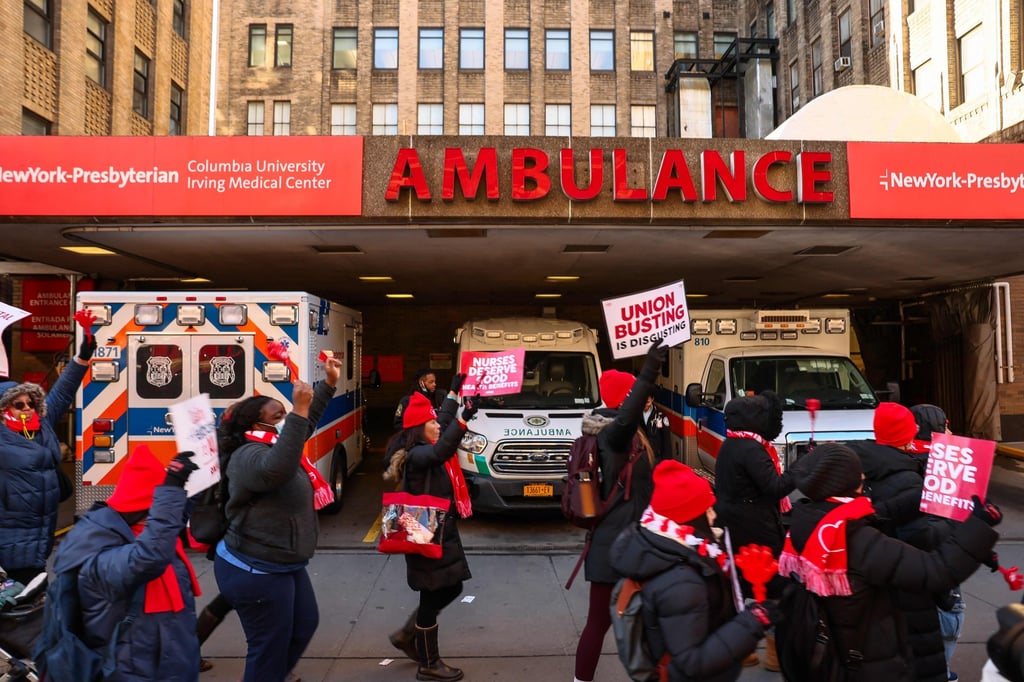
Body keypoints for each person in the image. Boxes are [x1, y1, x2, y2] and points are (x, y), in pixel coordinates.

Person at [781, 442, 1002, 681]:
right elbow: (937, 571)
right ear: (848, 482)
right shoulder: (856, 540)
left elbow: (882, 511)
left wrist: (934, 490)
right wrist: (979, 525)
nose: (864, 476)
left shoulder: (812, 521)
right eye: (858, 473)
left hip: (837, 650)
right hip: (869, 662)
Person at [212, 357, 341, 682]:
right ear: (256, 423)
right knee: (269, 647)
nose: (286, 419)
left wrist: (328, 385)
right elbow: (276, 470)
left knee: (304, 625)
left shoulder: (276, 443)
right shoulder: (247, 456)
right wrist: (297, 411)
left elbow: (301, 429)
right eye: (278, 415)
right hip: (256, 568)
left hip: (284, 562)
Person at [46, 444, 202, 681]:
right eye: (158, 511)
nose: (168, 519)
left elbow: (171, 523)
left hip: (166, 662)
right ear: (143, 509)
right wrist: (169, 491)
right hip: (130, 667)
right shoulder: (96, 548)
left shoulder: (140, 531)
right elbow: (150, 556)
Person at [610, 459, 771, 682]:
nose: (713, 515)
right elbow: (692, 662)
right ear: (689, 518)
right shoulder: (683, 583)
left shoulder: (667, 551)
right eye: (707, 509)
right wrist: (755, 620)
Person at [573, 340, 667, 682]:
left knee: (623, 621)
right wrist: (650, 369)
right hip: (622, 547)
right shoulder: (614, 434)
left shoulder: (621, 435)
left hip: (624, 542)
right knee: (605, 623)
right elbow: (629, 413)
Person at [850, 402, 954, 682]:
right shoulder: (907, 479)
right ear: (909, 435)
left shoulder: (862, 463)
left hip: (875, 576)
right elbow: (920, 537)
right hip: (909, 579)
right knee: (942, 623)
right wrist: (950, 526)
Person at [387, 386, 478, 682]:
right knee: (431, 596)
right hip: (425, 533)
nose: (439, 425)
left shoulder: (423, 443)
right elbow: (442, 449)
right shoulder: (417, 455)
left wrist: (453, 393)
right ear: (418, 429)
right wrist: (463, 421)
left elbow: (440, 421)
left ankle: (407, 634)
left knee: (451, 588)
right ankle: (428, 663)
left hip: (439, 531)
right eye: (433, 423)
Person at [0, 333, 94, 585]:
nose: (27, 407)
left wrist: (82, 357)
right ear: (2, 410)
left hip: (40, 542)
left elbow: (62, 393)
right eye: (18, 405)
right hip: (7, 548)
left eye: (29, 402)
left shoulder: (41, 425)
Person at [713, 390, 797, 671]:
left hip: (734, 523)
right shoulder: (751, 449)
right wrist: (800, 471)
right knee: (774, 583)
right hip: (756, 525)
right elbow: (774, 487)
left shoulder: (732, 444)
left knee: (739, 585)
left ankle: (740, 648)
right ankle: (773, 652)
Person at [910, 403, 965, 682]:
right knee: (949, 611)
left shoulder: (897, 459)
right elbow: (960, 516)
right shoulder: (947, 464)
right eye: (946, 424)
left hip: (905, 558)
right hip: (942, 556)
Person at [642, 387, 672, 461]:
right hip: (640, 458)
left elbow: (666, 441)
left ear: (652, 399)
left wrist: (667, 461)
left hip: (656, 457)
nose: (646, 405)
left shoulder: (660, 416)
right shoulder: (635, 415)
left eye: (648, 402)